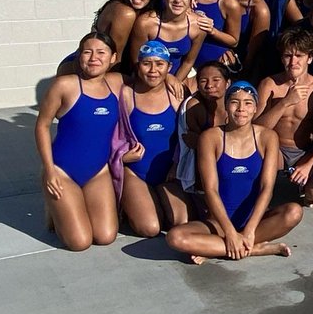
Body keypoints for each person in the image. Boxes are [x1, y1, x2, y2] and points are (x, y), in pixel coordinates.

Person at [166, 82, 302, 264]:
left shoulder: (267, 137)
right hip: (218, 223)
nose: (241, 109)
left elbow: (267, 188)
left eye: (248, 103)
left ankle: (220, 248)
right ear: (226, 106)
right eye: (235, 102)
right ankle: (253, 249)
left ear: (255, 108)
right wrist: (230, 233)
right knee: (175, 237)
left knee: (294, 212)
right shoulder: (211, 137)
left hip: (256, 221)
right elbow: (211, 189)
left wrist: (250, 230)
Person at [36, 32, 122, 252]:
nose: (94, 57)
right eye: (87, 52)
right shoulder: (65, 85)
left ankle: (72, 205)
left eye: (101, 52)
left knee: (105, 236)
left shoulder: (116, 82)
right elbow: (42, 126)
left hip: (98, 172)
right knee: (79, 243)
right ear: (78, 56)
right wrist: (49, 171)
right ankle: (54, 210)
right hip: (62, 171)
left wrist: (170, 77)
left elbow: (149, 76)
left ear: (113, 58)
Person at [117, 40, 188, 236]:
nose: (153, 70)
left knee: (180, 223)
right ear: (138, 66)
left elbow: (187, 137)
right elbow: (110, 135)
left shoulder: (176, 95)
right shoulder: (126, 95)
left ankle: (155, 199)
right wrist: (121, 157)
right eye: (146, 63)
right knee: (150, 229)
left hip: (169, 174)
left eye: (159, 64)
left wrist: (177, 164)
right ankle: (131, 202)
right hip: (135, 172)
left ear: (169, 67)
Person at [256, 27, 313, 205]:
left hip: (304, 151)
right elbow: (255, 130)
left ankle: (301, 181)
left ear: (310, 58)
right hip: (275, 149)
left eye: (299, 56)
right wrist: (284, 102)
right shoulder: (269, 84)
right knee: (262, 189)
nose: (293, 62)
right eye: (288, 56)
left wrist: (309, 164)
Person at [59, 0, 160, 75]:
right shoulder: (126, 13)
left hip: (92, 66)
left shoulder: (146, 11)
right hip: (82, 68)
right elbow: (114, 60)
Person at [128, 0, 205, 77]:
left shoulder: (197, 26)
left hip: (177, 79)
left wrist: (176, 82)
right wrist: (165, 80)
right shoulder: (146, 23)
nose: (178, 0)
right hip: (147, 77)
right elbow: (136, 61)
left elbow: (188, 62)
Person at [177, 60, 230, 200]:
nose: (209, 85)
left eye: (216, 80)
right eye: (203, 81)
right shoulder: (195, 107)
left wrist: (204, 143)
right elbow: (191, 143)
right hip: (203, 173)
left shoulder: (237, 104)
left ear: (228, 83)